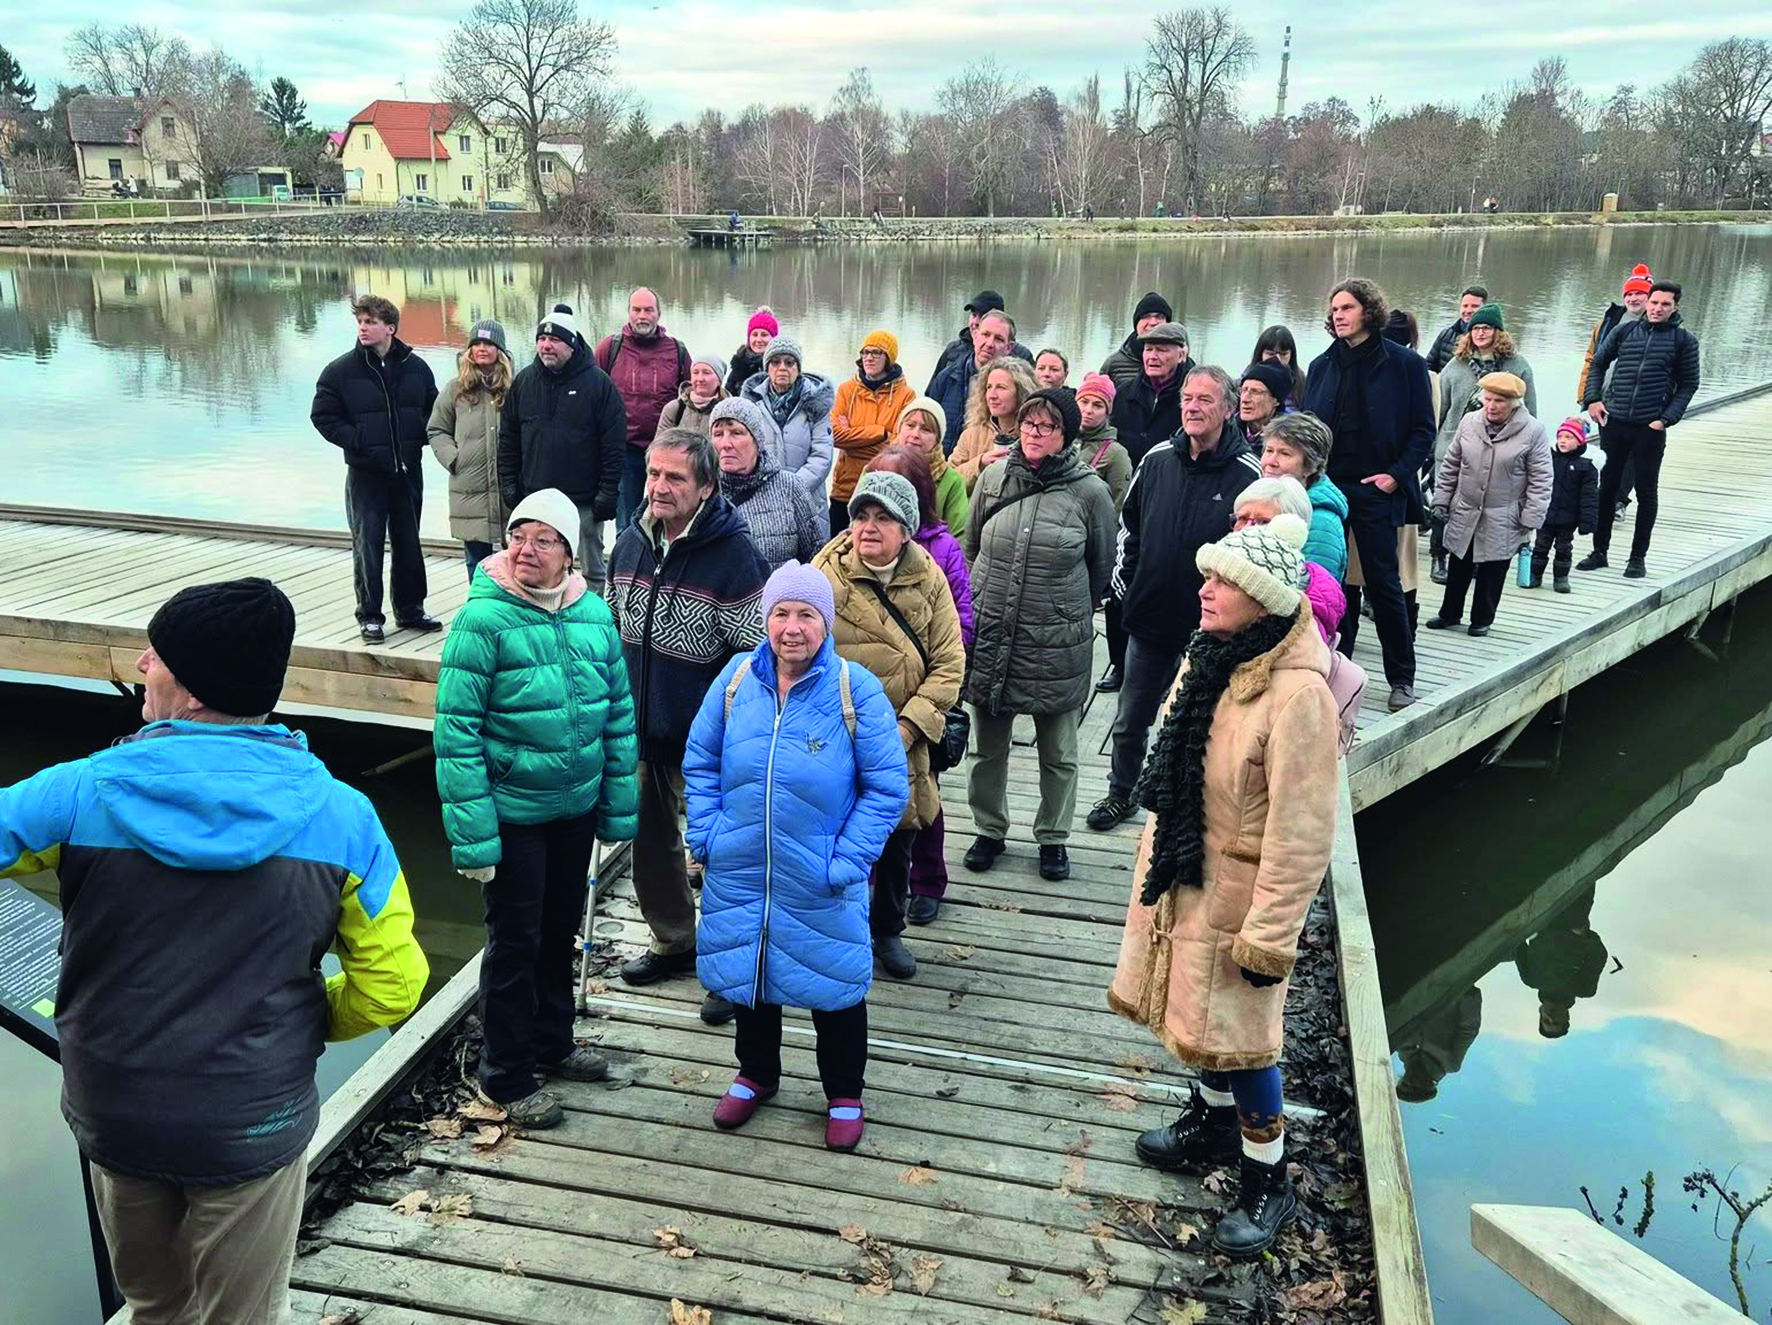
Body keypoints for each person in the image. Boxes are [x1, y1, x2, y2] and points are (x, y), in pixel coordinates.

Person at [0, 578, 428, 1321]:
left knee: (153, 1302)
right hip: (250, 1117)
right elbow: (394, 985)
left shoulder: (78, 793)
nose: (140, 664)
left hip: (116, 1107)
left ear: (193, 693)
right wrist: (304, 1019)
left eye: (156, 655)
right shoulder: (345, 818)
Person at [1110, 514, 1338, 1259]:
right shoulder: (1210, 657)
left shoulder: (1299, 696)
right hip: (1188, 874)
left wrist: (1270, 936)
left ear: (1260, 596)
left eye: (1220, 581)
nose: (1203, 589)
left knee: (1248, 1043)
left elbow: (1303, 834)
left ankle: (1268, 1180)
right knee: (1197, 1016)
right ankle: (1208, 1124)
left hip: (1242, 895)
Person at [685, 562, 908, 1151]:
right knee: (752, 970)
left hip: (820, 872)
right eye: (781, 613)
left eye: (806, 614)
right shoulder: (735, 680)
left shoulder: (853, 689)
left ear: (825, 623)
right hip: (741, 865)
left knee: (833, 982)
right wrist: (707, 833)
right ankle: (756, 1074)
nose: (791, 628)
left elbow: (887, 787)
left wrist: (847, 861)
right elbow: (701, 761)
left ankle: (844, 1092)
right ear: (765, 619)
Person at [434, 489, 639, 1128]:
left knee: (561, 931)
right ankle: (506, 1072)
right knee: (515, 941)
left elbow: (618, 717)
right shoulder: (483, 619)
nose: (527, 549)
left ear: (569, 554)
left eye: (544, 539)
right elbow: (455, 731)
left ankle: (554, 1043)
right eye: (519, 535)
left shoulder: (593, 614)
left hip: (572, 806)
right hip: (513, 810)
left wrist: (617, 806)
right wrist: (474, 839)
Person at [606, 429, 766, 1024]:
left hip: (711, 737)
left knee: (721, 853)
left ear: (705, 487)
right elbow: (609, 634)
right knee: (649, 843)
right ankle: (674, 940)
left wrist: (730, 731)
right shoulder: (630, 544)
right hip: (640, 725)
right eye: (653, 474)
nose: (659, 488)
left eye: (675, 478)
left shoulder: (734, 557)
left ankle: (730, 968)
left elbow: (757, 659)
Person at [1090, 366, 1262, 833]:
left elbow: (1254, 552)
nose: (1192, 406)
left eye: (1205, 399)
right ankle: (1119, 795)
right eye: (1188, 397)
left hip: (1211, 630)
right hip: (1149, 617)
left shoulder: (1248, 474)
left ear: (1228, 410)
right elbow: (1130, 526)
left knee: (1195, 728)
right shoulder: (1158, 459)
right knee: (1129, 722)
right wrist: (1127, 583)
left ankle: (1184, 811)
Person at [815, 471, 965, 977]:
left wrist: (905, 730)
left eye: (883, 518)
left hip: (903, 736)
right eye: (861, 515)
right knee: (834, 838)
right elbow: (799, 651)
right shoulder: (824, 574)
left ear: (906, 528)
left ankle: (886, 932)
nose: (869, 527)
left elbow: (949, 663)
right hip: (835, 735)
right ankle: (835, 929)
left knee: (898, 836)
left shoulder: (929, 577)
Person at [966, 388, 1117, 883]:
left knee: (1058, 750)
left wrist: (1060, 608)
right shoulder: (992, 478)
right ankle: (989, 829)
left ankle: (1053, 838)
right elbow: (971, 550)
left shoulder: (1090, 492)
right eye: (1028, 423)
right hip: (993, 631)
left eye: (1046, 426)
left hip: (1056, 639)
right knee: (988, 745)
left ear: (1066, 434)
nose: (1033, 432)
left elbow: (1100, 569)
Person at [1302, 278, 1435, 711]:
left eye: (1347, 307)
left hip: (1377, 488)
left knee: (1384, 585)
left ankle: (1401, 678)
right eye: (1334, 308)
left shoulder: (1404, 365)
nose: (1338, 315)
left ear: (1369, 312)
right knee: (1330, 584)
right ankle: (1333, 669)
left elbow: (1422, 432)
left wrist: (1396, 476)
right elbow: (1308, 431)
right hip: (1327, 489)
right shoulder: (1321, 366)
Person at [864, 446, 975, 927]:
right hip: (862, 711)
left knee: (921, 800)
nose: (874, 516)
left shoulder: (940, 552)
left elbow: (961, 627)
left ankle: (927, 882)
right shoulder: (840, 558)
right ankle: (873, 898)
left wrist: (923, 705)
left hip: (917, 704)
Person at [311, 294, 441, 644]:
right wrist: (357, 441)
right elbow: (322, 417)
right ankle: (370, 616)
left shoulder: (417, 368)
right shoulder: (340, 372)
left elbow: (435, 411)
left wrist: (418, 440)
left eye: (370, 322)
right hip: (366, 475)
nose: (363, 328)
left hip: (407, 471)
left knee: (409, 543)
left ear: (390, 328)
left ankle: (411, 609)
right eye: (360, 322)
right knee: (367, 545)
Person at [499, 304, 627, 591]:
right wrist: (509, 484)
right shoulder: (523, 383)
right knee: (535, 567)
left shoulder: (599, 385)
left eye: (554, 340)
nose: (546, 346)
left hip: (584, 500)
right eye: (541, 340)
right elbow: (508, 440)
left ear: (571, 344)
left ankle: (589, 620)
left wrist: (608, 493)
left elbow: (613, 444)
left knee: (592, 569)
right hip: (535, 498)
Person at [1578, 280, 1701, 579]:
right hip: (1615, 421)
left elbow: (1689, 384)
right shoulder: (1625, 330)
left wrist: (1666, 418)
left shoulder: (1684, 341)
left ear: (1675, 307)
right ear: (1647, 303)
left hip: (1650, 426)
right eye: (1654, 302)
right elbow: (1598, 363)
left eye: (1665, 304)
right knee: (1606, 488)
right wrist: (1593, 399)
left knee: (1646, 492)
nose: (1657, 308)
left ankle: (1637, 558)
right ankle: (1599, 551)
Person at [1426, 372, 1552, 638]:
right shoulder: (1470, 421)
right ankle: (1449, 613)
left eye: (1499, 401)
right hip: (1466, 506)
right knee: (1459, 561)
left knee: (1493, 569)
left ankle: (1482, 619)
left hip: (1505, 512)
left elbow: (1541, 478)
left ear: (1514, 403)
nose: (1491, 406)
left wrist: (1531, 518)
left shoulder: (1533, 431)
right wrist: (1441, 499)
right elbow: (1451, 464)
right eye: (1488, 399)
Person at [1431, 302, 1538, 583]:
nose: (1479, 333)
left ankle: (1480, 561)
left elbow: (1531, 412)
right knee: (1446, 506)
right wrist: (1430, 448)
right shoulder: (1456, 366)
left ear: (1498, 331)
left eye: (1486, 327)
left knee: (1487, 511)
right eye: (1475, 328)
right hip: (1454, 447)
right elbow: (1438, 409)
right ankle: (1438, 558)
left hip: (1502, 453)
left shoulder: (1518, 366)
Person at [596, 287, 691, 532]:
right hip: (624, 452)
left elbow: (692, 397)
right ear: (628, 313)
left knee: (666, 519)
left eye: (648, 310)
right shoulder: (610, 348)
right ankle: (625, 568)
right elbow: (593, 394)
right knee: (626, 522)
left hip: (665, 452)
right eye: (636, 310)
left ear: (659, 314)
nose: (642, 316)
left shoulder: (676, 350)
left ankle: (662, 566)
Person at [427, 318, 514, 579]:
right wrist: (454, 459)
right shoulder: (455, 389)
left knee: (514, 560)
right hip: (469, 489)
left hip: (507, 488)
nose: (482, 348)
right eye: (476, 343)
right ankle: (477, 612)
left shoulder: (514, 388)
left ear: (500, 350)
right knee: (476, 561)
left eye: (488, 343)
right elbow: (436, 430)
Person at [708, 397, 823, 574]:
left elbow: (816, 559)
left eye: (736, 433)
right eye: (718, 434)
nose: (725, 444)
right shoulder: (702, 490)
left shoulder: (790, 487)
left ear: (757, 440)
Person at [1577, 264, 1654, 516]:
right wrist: (1588, 396)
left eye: (1639, 294)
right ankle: (1605, 497)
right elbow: (1592, 359)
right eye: (1629, 294)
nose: (1633, 298)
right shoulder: (1610, 320)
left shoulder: (1658, 324)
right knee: (1610, 451)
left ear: (1650, 296)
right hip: (1607, 398)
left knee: (1634, 453)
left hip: (1642, 402)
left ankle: (1619, 500)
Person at [1232, 478, 1345, 643]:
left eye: (1263, 522)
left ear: (1295, 530)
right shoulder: (1227, 573)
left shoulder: (1304, 599)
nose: (1247, 529)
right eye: (1242, 519)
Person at [1076, 372, 1134, 692]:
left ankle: (1113, 666)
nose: (1089, 409)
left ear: (1107, 411)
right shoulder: (1064, 440)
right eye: (1083, 401)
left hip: (1095, 541)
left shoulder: (1116, 454)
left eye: (1097, 404)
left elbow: (1117, 505)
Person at [739, 335, 835, 529]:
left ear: (798, 369)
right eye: (775, 362)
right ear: (767, 367)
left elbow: (822, 456)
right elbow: (744, 453)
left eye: (789, 362)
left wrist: (791, 489)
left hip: (807, 502)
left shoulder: (816, 404)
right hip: (762, 502)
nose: (782, 367)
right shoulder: (750, 404)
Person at [831, 329, 917, 534]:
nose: (868, 357)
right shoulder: (846, 390)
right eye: (865, 352)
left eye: (876, 352)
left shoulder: (906, 396)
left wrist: (853, 441)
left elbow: (899, 447)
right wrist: (880, 433)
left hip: (883, 490)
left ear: (889, 358)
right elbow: (834, 435)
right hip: (845, 489)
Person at [1258, 412, 1347, 583]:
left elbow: (1316, 595)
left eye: (1285, 454)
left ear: (1310, 467)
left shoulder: (1321, 522)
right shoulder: (1263, 501)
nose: (1271, 461)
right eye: (1269, 451)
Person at [1513, 886, 1608, 1040]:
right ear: (1567, 1018)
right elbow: (1598, 956)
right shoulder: (1583, 988)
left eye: (1546, 1021)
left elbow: (1516, 945)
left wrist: (1526, 925)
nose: (1551, 1017)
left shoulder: (1530, 979)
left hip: (1539, 915)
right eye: (1556, 1022)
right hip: (1573, 915)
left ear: (1540, 1013)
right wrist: (1583, 934)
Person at [928, 309, 1017, 454]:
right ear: (975, 336)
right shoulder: (946, 378)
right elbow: (928, 425)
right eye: (985, 334)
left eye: (998, 339)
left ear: (1009, 348)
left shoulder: (1016, 387)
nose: (989, 343)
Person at [1529, 418, 1600, 593]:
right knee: (1540, 546)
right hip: (1545, 514)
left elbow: (1589, 497)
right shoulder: (1548, 459)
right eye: (1560, 436)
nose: (1563, 441)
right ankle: (1535, 576)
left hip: (1568, 518)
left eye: (1569, 437)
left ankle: (1560, 578)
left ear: (1579, 441)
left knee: (1564, 548)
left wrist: (1587, 523)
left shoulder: (1586, 467)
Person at [1109, 321, 1193, 468]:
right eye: (1148, 349)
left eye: (1161, 350)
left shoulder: (1192, 401)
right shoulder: (1124, 393)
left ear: (1181, 356)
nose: (1153, 356)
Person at [951, 354, 1038, 491]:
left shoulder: (1034, 436)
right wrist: (980, 463)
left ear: (1021, 393)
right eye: (988, 387)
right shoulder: (971, 435)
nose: (992, 395)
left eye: (1001, 388)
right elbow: (948, 481)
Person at [892, 396, 969, 536]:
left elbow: (958, 536)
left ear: (937, 439)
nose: (915, 434)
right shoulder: (875, 469)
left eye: (926, 429)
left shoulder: (952, 481)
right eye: (910, 425)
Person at [928, 289, 1035, 382]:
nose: (975, 322)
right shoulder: (953, 350)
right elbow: (931, 397)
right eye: (973, 315)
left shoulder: (1021, 356)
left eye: (982, 316)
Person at [1100, 291, 1175, 391]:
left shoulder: (1181, 363)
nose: (1153, 322)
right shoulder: (1114, 364)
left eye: (1159, 317)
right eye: (1145, 316)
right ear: (1136, 324)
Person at [657, 352, 730, 438]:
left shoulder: (729, 412)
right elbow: (660, 447)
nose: (700, 378)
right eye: (695, 372)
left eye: (706, 373)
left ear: (719, 379)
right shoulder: (675, 409)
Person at [1425, 283, 1489, 373]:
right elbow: (1428, 366)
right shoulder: (1445, 335)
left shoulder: (1490, 339)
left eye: (1474, 306)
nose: (1468, 310)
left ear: (1485, 308)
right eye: (1465, 306)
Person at [1249, 325, 1305, 408]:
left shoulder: (1302, 381)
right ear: (1260, 354)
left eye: (1283, 354)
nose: (1277, 359)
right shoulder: (1246, 380)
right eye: (1270, 354)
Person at [1237, 362, 1292, 446]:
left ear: (1276, 400)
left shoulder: (1289, 437)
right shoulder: (1227, 431)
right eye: (1243, 390)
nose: (1245, 399)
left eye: (1256, 392)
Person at [727, 307, 778, 397]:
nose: (758, 340)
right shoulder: (739, 365)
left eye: (764, 335)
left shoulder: (782, 365)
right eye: (754, 335)